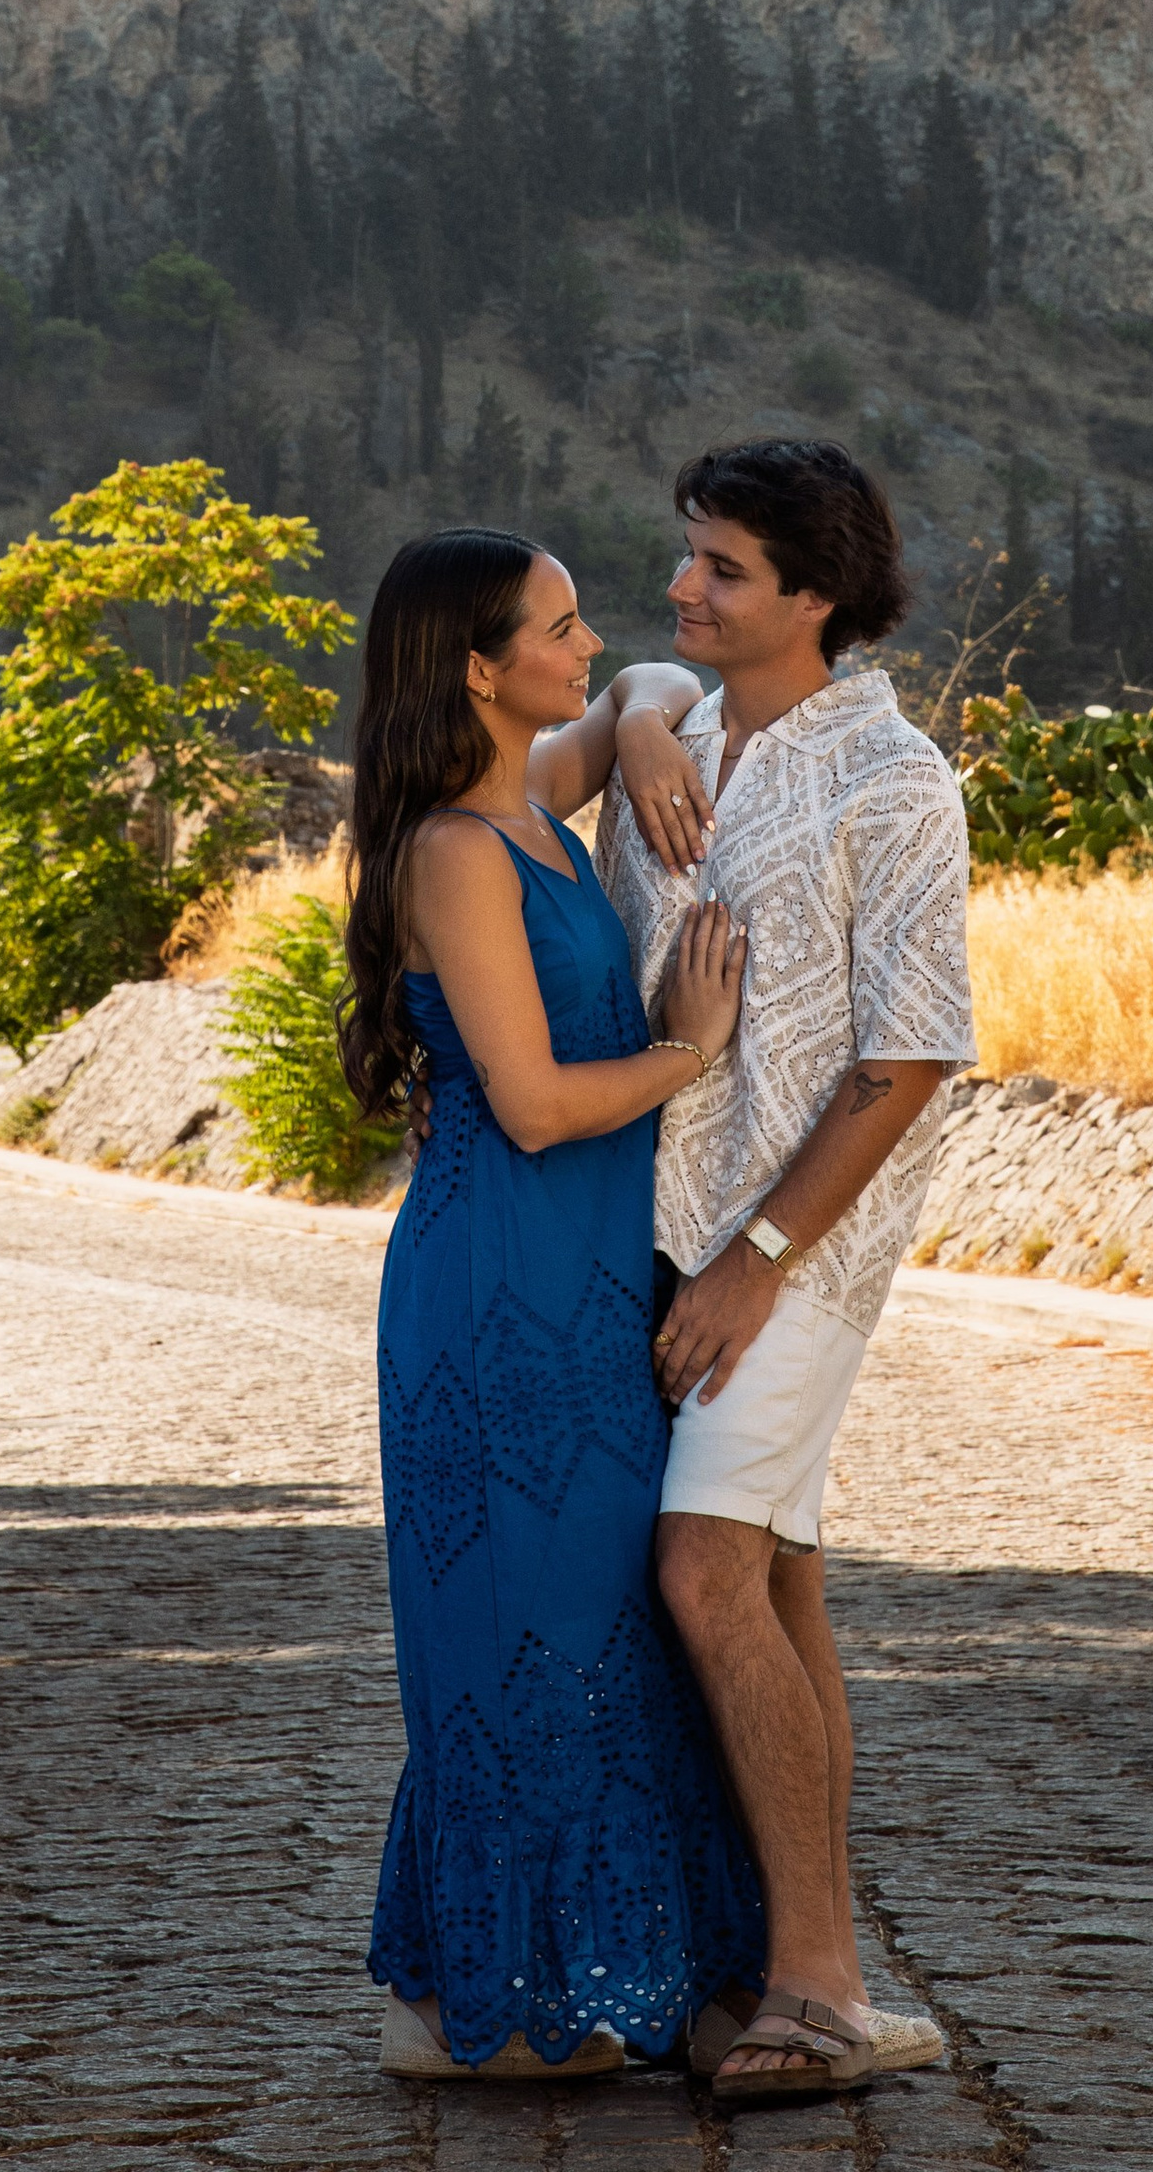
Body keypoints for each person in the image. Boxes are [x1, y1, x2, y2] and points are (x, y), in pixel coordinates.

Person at [339, 528, 768, 2080]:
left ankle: (585, 1979)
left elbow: (660, 678)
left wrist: (646, 718)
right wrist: (690, 1050)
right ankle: (483, 2006)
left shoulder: (534, 794)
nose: (590, 646)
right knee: (526, 1628)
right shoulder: (456, 848)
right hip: (493, 1285)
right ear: (478, 662)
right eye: (561, 628)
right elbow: (524, 1103)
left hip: (584, 1281)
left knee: (604, 1625)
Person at [593, 439, 974, 2108]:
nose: (686, 586)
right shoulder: (679, 721)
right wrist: (630, 720)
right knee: (784, 1582)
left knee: (701, 1573)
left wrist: (755, 1263)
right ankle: (790, 1964)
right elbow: (632, 673)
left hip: (796, 1256)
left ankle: (817, 1988)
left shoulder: (897, 785)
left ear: (814, 594)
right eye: (689, 555)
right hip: (662, 1237)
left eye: (724, 566)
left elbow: (907, 1059)